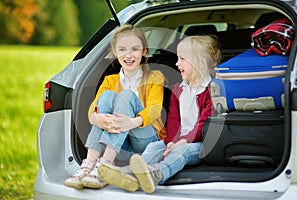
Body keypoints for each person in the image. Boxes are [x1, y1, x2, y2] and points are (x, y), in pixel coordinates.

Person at [98, 35, 222, 194]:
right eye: (177, 58)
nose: (177, 63)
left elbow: (204, 124)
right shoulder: (179, 89)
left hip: (200, 143)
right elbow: (173, 119)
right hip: (177, 139)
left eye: (182, 59)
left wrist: (182, 142)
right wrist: (171, 141)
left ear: (201, 63)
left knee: (180, 153)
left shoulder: (211, 89)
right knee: (154, 146)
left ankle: (157, 173)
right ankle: (128, 174)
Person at [64, 24, 166, 189]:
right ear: (115, 51)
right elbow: (94, 107)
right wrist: (96, 118)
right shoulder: (109, 80)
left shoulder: (155, 77)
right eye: (122, 49)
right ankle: (88, 165)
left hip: (146, 141)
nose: (128, 55)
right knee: (106, 97)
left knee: (125, 96)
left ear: (144, 51)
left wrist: (132, 122)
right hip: (122, 147)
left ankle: (105, 165)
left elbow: (154, 109)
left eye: (135, 49)